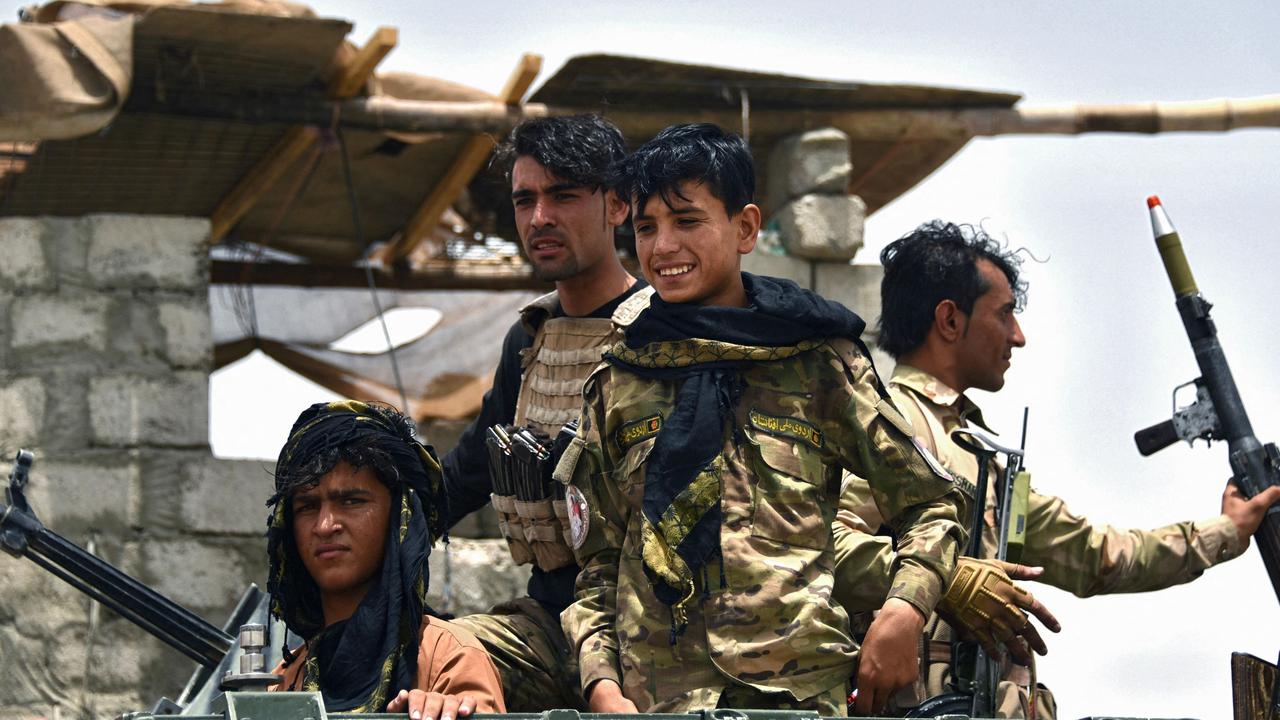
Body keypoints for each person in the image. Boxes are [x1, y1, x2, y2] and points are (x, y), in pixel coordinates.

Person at [558, 123, 971, 718]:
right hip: (658, 703)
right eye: (646, 228)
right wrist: (602, 688)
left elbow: (931, 503)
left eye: (688, 221)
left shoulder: (817, 362)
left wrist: (904, 613)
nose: (663, 246)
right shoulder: (620, 380)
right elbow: (599, 562)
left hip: (798, 697)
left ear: (745, 227)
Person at [835, 220, 1280, 718]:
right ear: (950, 320)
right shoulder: (890, 424)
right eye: (1004, 315)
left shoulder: (981, 453)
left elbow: (1094, 554)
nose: (1018, 337)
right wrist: (945, 582)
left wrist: (1225, 531)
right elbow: (826, 544)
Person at [441, 114, 651, 711]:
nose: (540, 218)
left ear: (617, 206)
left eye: (562, 196)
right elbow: (468, 474)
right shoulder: (530, 339)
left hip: (651, 635)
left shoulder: (663, 333)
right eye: (524, 200)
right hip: (551, 624)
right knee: (419, 654)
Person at [267, 400, 506, 718]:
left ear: (399, 517)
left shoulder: (448, 657)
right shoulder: (284, 680)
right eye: (307, 506)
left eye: (351, 500)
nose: (325, 526)